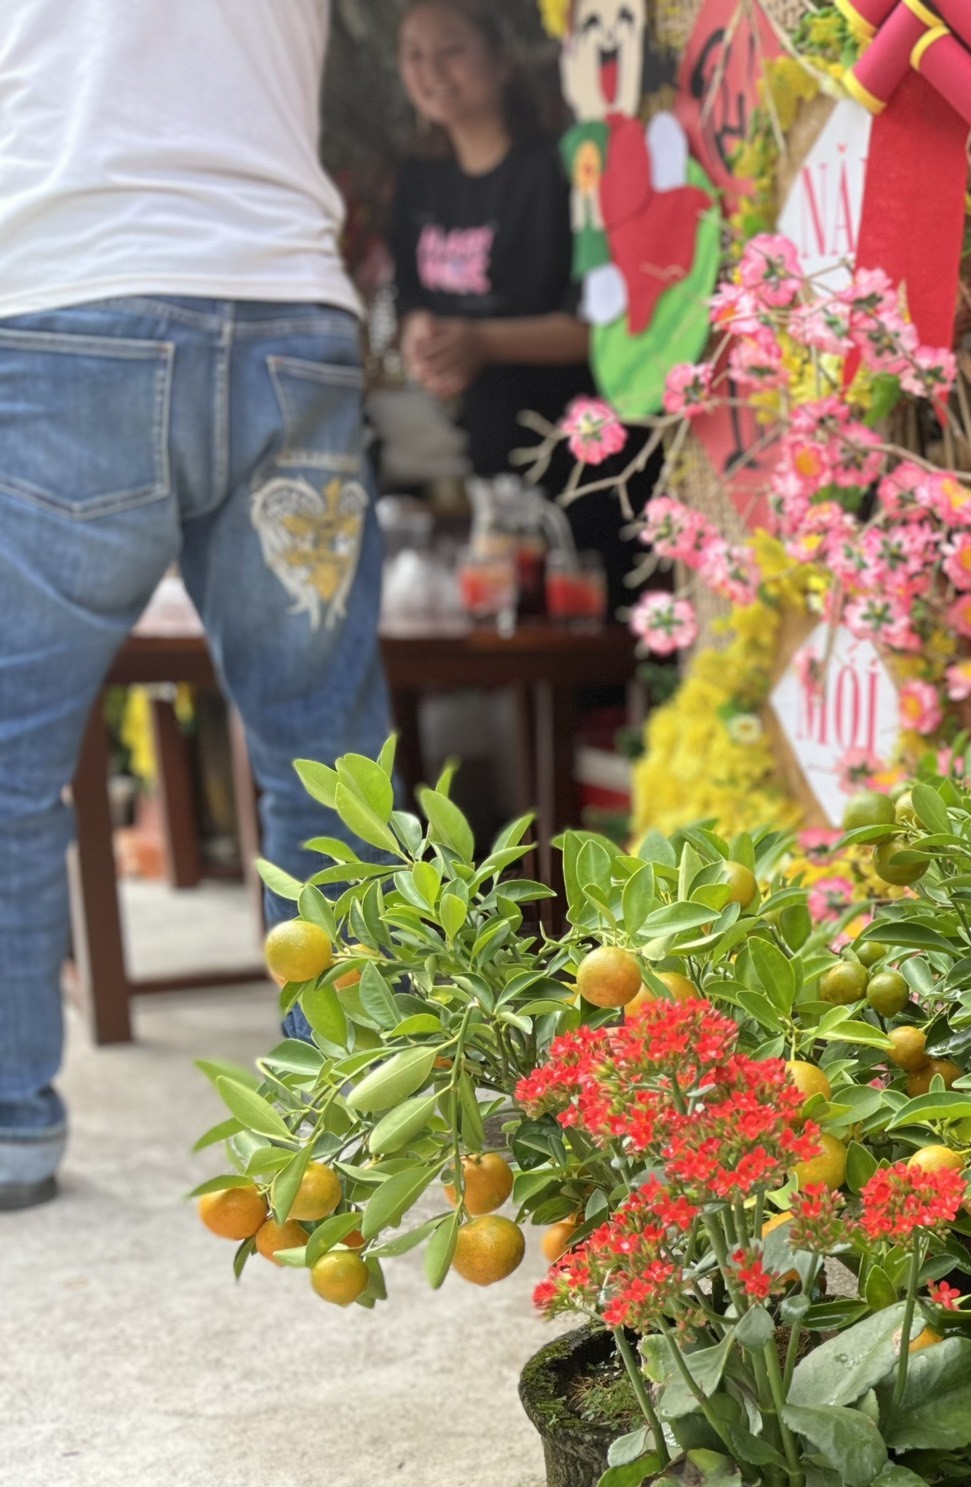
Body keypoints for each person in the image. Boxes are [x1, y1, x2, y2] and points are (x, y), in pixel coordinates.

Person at [0, 1, 394, 1211]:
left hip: (70, 299)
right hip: (287, 302)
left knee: (9, 760)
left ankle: (10, 1123)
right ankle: (364, 1104)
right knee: (324, 743)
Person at [388, 1, 598, 505]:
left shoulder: (559, 170)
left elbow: (595, 327)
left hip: (581, 450)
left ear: (502, 60)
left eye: (452, 49)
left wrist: (481, 341)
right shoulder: (420, 181)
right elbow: (409, 299)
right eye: (414, 54)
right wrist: (421, 335)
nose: (431, 71)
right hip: (486, 452)